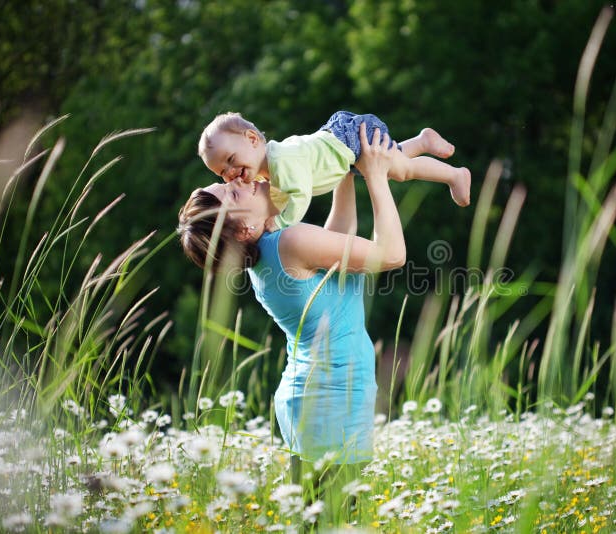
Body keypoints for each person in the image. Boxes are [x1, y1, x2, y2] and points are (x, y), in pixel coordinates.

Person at [178, 124, 408, 507]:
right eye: (233, 189)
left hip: (314, 401)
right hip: (331, 404)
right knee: (336, 520)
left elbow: (338, 240)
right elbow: (392, 255)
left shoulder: (271, 253)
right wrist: (377, 176)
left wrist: (345, 170)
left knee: (320, 517)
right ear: (246, 228)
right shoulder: (288, 242)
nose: (243, 179)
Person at [197, 110, 471, 229]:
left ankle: (454, 175)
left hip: (351, 141)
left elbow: (300, 196)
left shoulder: (281, 161)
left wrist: (278, 223)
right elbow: (280, 198)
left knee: (402, 171)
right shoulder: (267, 171)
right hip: (345, 152)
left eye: (231, 159)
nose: (231, 172)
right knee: (391, 163)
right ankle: (422, 141)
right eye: (222, 172)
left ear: (253, 139)